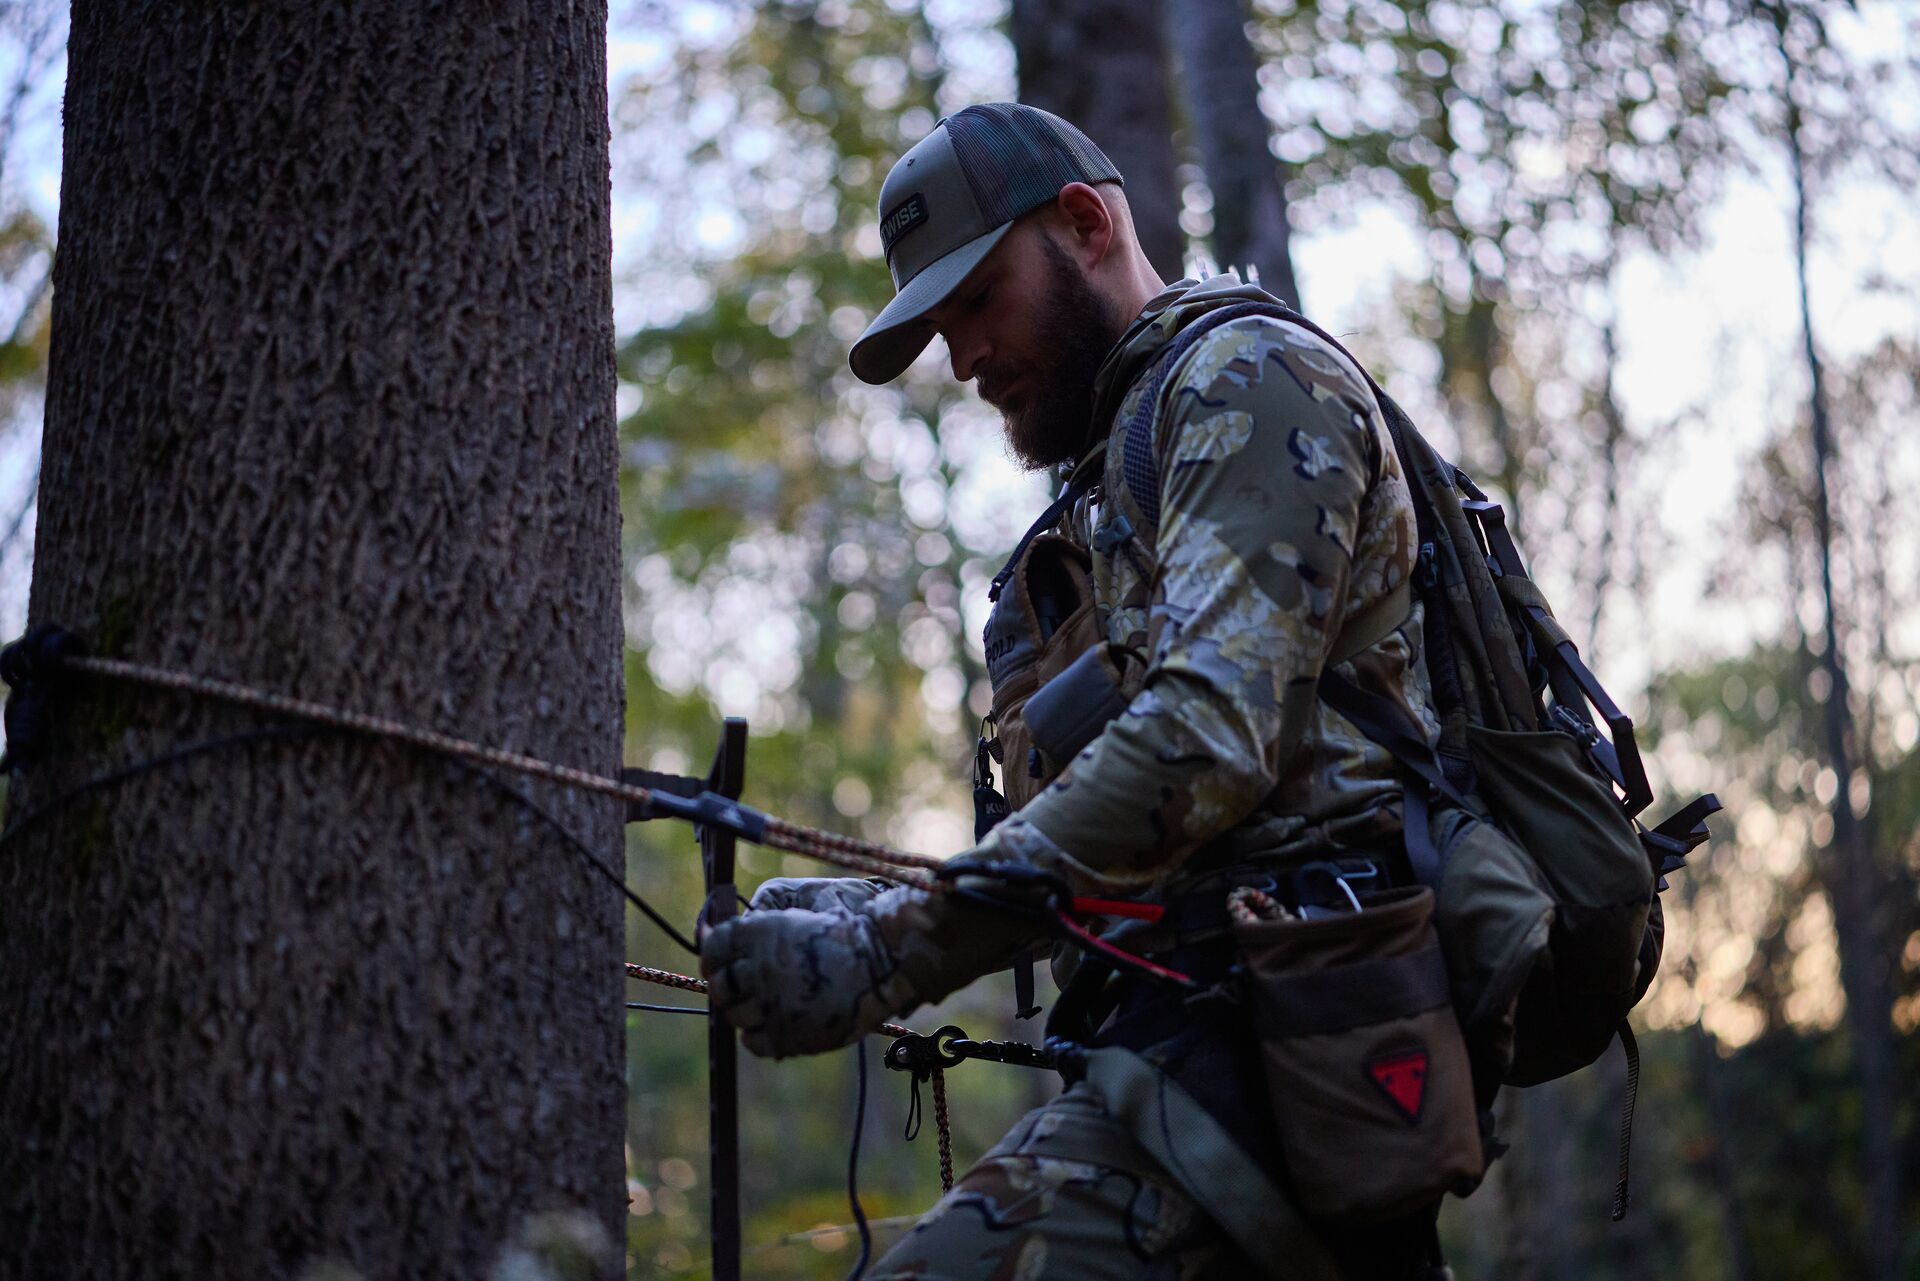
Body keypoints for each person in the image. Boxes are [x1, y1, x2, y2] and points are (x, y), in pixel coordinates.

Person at [701, 102, 1448, 1279]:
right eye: (940, 327)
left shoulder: (1250, 381)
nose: (963, 359)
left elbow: (1207, 740)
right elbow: (1141, 837)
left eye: (977, 300)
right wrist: (870, 903)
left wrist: (894, 950)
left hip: (1285, 1063)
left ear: (1087, 225)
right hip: (1189, 1059)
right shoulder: (1122, 470)